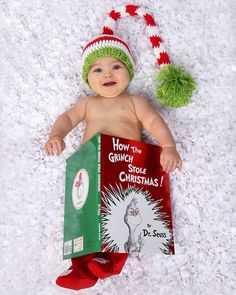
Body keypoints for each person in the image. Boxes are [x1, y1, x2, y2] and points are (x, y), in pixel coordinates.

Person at [44, 4, 195, 291]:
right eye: (98, 69)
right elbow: (66, 118)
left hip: (127, 169)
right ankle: (80, 267)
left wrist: (168, 145)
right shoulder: (88, 104)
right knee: (83, 217)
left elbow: (153, 120)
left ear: (129, 71)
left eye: (116, 66)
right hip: (90, 170)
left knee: (125, 219)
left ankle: (109, 262)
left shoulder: (135, 101)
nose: (107, 73)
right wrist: (57, 135)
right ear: (87, 77)